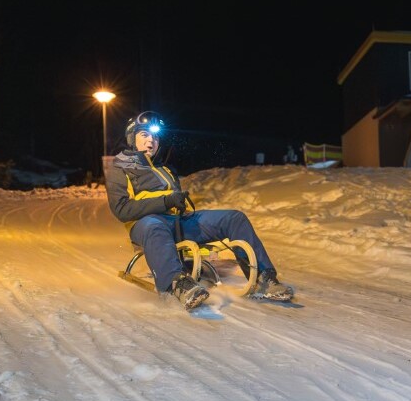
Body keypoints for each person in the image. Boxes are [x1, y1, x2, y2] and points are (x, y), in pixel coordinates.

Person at [105, 111, 295, 310]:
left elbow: (175, 202)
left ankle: (264, 278)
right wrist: (165, 201)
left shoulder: (165, 169)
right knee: (154, 226)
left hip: (178, 222)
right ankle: (176, 285)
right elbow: (122, 209)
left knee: (234, 218)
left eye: (155, 137)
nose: (151, 141)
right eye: (144, 135)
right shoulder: (121, 167)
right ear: (131, 138)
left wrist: (180, 203)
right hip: (146, 224)